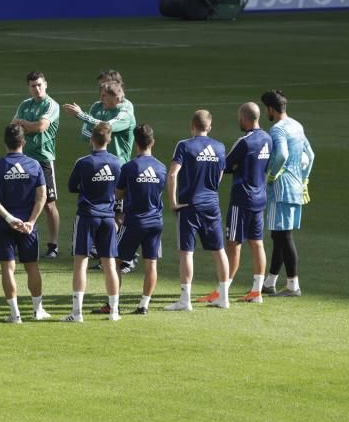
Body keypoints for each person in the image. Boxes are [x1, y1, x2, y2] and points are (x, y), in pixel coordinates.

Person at [165, 110, 230, 312]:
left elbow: (173, 174)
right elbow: (220, 176)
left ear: (192, 126)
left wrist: (173, 201)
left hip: (189, 205)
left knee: (187, 252)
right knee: (219, 250)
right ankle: (224, 297)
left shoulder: (184, 145)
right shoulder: (220, 147)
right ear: (209, 127)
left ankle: (185, 300)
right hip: (211, 204)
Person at [0, 123, 50, 323]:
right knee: (32, 267)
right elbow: (42, 197)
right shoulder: (34, 165)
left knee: (7, 268)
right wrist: (30, 221)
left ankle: (15, 314)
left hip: (6, 225)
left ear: (5, 142)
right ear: (24, 141)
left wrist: (9, 218)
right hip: (28, 226)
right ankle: (38, 310)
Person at [63, 123, 122, 322]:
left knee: (81, 263)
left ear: (91, 139)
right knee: (110, 265)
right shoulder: (117, 162)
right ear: (109, 139)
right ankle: (114, 312)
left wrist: (88, 189)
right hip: (108, 217)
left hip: (87, 215)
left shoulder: (84, 162)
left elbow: (72, 186)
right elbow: (119, 188)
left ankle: (77, 313)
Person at [261, 90, 315, 298]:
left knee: (284, 237)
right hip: (296, 188)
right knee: (279, 235)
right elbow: (310, 155)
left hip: (281, 188)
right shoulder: (297, 125)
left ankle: (293, 285)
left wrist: (272, 175)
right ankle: (270, 282)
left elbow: (282, 154)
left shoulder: (278, 130)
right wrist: (304, 179)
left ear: (271, 109)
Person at [218, 102, 273, 304]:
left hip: (241, 198)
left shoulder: (244, 142)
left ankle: (223, 290)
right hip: (260, 197)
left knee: (233, 244)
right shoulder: (268, 139)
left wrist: (235, 166)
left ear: (244, 118)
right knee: (257, 243)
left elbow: (225, 165)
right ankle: (256, 291)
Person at [114, 124, 167, 315]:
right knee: (151, 263)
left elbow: (118, 194)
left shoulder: (129, 167)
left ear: (136, 143)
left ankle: (113, 304)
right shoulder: (161, 167)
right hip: (155, 221)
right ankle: (144, 305)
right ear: (152, 142)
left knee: (115, 261)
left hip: (134, 221)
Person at [11, 71, 62, 258]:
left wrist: (24, 123)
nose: (37, 88)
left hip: (44, 159)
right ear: (29, 87)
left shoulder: (51, 105)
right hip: (25, 159)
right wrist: (25, 125)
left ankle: (53, 244)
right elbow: (13, 128)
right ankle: (22, 238)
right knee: (23, 200)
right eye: (33, 86)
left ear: (46, 84)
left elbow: (41, 127)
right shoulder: (25, 105)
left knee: (49, 203)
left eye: (40, 85)